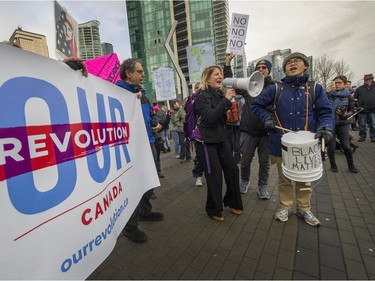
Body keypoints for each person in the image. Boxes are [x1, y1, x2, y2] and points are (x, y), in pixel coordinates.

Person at [252, 52, 333, 227]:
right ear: (284, 69)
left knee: (305, 179)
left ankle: (304, 208)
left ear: (305, 66)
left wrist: (325, 127)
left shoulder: (315, 88)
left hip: (306, 146)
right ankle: (285, 206)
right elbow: (256, 105)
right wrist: (266, 118)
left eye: (297, 61)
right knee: (285, 178)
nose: (292, 63)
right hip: (282, 143)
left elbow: (325, 112)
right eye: (288, 62)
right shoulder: (276, 89)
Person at [116, 58, 164, 243]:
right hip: (130, 147)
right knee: (134, 186)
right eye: (139, 71)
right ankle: (130, 226)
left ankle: (144, 211)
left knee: (149, 181)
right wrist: (129, 102)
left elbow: (150, 116)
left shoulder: (142, 94)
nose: (143, 74)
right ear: (128, 73)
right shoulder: (117, 92)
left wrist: (156, 124)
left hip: (149, 142)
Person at [194, 65, 243, 222]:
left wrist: (226, 101)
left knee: (233, 170)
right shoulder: (201, 96)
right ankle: (213, 209)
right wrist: (226, 100)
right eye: (216, 74)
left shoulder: (219, 93)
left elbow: (221, 114)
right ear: (207, 78)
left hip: (220, 139)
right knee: (214, 176)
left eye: (221, 74)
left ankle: (232, 201)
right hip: (206, 143)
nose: (220, 76)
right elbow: (210, 117)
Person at [225, 57, 273, 198]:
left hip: (266, 133)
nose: (260, 69)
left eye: (264, 67)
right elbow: (231, 82)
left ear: (269, 70)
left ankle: (262, 186)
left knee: (264, 163)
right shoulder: (249, 86)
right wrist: (227, 65)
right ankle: (244, 180)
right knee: (245, 161)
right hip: (248, 132)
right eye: (258, 67)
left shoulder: (274, 87)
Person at [326, 75, 358, 173]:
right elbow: (323, 106)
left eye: (339, 82)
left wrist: (345, 114)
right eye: (336, 83)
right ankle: (333, 165)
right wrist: (325, 93)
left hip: (342, 122)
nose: (337, 84)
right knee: (331, 146)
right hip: (331, 123)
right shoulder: (329, 94)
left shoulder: (348, 96)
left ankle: (351, 166)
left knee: (346, 146)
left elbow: (352, 110)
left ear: (344, 84)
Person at [184, 82, 204, 187]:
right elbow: (187, 115)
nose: (198, 89)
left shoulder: (207, 98)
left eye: (200, 88)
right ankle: (198, 176)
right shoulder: (190, 100)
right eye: (196, 88)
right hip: (196, 133)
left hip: (208, 132)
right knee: (199, 156)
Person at [353, 74, 375, 142]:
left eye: (367, 79)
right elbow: (355, 98)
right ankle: (362, 137)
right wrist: (356, 103)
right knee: (362, 124)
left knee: (373, 124)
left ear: (371, 79)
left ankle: (373, 137)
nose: (366, 81)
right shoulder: (359, 88)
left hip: (373, 109)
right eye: (365, 80)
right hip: (361, 109)